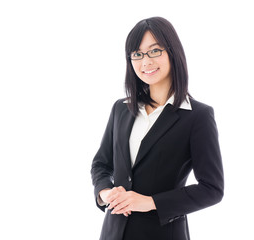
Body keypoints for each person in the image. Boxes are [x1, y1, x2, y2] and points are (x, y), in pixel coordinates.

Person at [91, 17, 224, 240]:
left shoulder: (197, 116)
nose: (145, 62)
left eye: (154, 51)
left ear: (173, 52)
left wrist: (150, 202)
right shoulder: (121, 109)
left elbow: (212, 188)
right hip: (113, 233)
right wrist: (106, 193)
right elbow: (101, 165)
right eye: (137, 54)